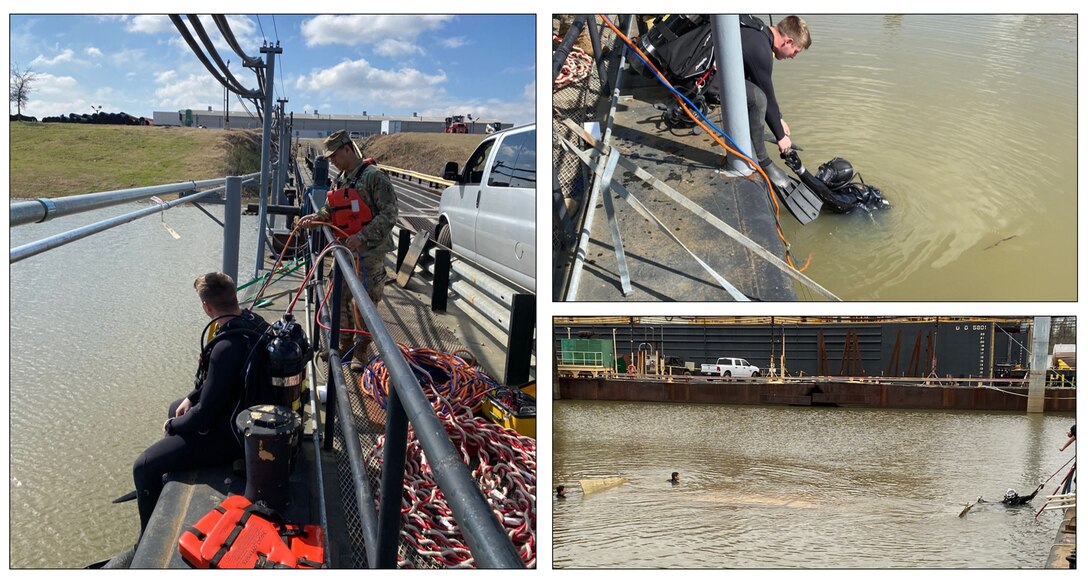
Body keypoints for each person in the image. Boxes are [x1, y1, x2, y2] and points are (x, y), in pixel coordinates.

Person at [131, 272, 271, 535]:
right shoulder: (253, 322)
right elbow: (212, 387)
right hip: (247, 416)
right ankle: (166, 469)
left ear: (207, 307)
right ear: (233, 296)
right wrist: (189, 399)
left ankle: (146, 536)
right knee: (176, 405)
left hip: (229, 437)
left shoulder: (225, 346)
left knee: (143, 465)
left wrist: (173, 425)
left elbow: (204, 416)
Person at [297, 130, 399, 370]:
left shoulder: (374, 177)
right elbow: (331, 209)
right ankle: (343, 344)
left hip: (369, 255)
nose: (331, 161)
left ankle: (361, 350)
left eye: (333, 156)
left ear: (347, 149)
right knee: (337, 298)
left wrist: (362, 237)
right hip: (344, 251)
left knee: (364, 301)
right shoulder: (341, 179)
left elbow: (390, 213)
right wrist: (316, 217)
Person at [740, 14, 811, 190]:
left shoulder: (758, 31)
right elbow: (766, 95)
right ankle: (762, 161)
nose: (793, 57)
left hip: (715, 73)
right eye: (795, 51)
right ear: (787, 41)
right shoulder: (761, 50)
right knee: (759, 100)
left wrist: (778, 118)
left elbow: (759, 81)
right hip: (706, 81)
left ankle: (752, 137)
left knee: (758, 95)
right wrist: (781, 137)